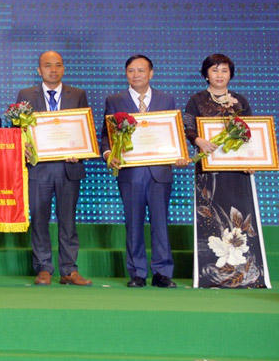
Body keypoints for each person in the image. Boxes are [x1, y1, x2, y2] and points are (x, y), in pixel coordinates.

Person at [183, 54, 270, 288]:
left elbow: (251, 132)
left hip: (238, 169)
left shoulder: (240, 101)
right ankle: (212, 275)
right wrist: (198, 140)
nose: (219, 75)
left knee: (240, 217)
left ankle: (247, 274)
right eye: (214, 70)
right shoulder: (196, 100)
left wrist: (253, 160)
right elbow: (187, 126)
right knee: (213, 217)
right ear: (206, 75)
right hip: (209, 171)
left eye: (224, 70)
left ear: (231, 74)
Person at [101, 54, 186, 288]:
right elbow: (106, 135)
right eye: (131, 70)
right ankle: (137, 272)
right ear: (126, 74)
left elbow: (174, 132)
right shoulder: (115, 100)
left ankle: (162, 272)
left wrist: (179, 154)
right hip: (130, 172)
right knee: (133, 223)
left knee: (160, 223)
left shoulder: (166, 99)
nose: (136, 74)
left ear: (151, 73)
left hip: (160, 171)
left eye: (141, 70)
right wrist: (108, 154)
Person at [15, 51, 91, 286]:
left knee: (68, 220)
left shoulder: (77, 94)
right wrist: (24, 146)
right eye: (48, 66)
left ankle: (69, 270)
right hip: (39, 168)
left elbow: (85, 128)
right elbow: (17, 128)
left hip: (69, 167)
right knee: (39, 219)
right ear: (39, 70)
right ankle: (44, 268)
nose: (53, 70)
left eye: (58, 65)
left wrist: (80, 151)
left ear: (64, 68)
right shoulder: (26, 95)